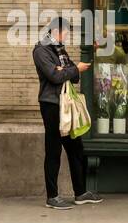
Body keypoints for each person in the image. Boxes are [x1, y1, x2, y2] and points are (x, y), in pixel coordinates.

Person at [33, 18, 102, 210]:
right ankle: (52, 196)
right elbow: (55, 76)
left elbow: (70, 73)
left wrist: (68, 70)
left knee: (75, 147)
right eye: (65, 33)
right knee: (53, 149)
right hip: (51, 105)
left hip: (65, 103)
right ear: (56, 31)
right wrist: (71, 70)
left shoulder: (59, 50)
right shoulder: (41, 50)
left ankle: (80, 193)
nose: (67, 36)